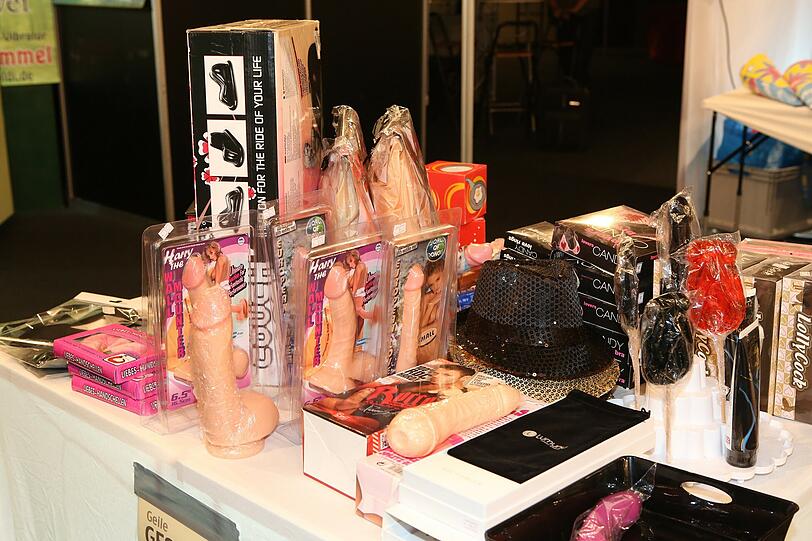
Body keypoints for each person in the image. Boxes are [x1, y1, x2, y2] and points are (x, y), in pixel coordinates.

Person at [308, 363, 476, 432]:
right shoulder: (411, 385)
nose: (438, 377)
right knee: (328, 404)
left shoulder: (457, 398)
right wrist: (359, 396)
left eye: (447, 375)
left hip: (384, 425)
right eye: (437, 373)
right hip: (365, 411)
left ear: (462, 380)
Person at [551, 0, 602, 85]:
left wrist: (574, 10)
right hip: (564, 9)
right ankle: (567, 73)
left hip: (586, 9)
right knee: (564, 42)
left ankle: (580, 74)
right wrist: (557, 8)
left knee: (585, 43)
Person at [417, 259, 446, 364]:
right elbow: (419, 330)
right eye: (431, 285)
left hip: (446, 352)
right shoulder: (427, 299)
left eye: (438, 279)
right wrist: (430, 306)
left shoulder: (454, 293)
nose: (436, 287)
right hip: (427, 355)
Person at [345, 250, 374, 340]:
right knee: (360, 314)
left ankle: (377, 315)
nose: (350, 265)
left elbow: (356, 283)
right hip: (361, 293)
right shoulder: (364, 266)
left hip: (357, 294)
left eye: (350, 262)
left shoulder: (358, 267)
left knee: (359, 312)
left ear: (353, 259)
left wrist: (352, 295)